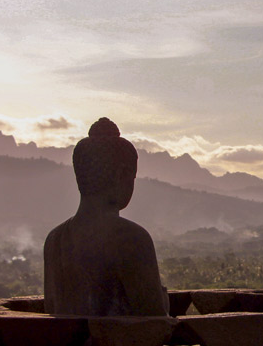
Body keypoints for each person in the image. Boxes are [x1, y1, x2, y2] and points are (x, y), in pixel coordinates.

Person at [44, 117, 169, 316]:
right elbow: (153, 321)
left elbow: (50, 310)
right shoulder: (131, 238)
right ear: (122, 175)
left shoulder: (55, 239)